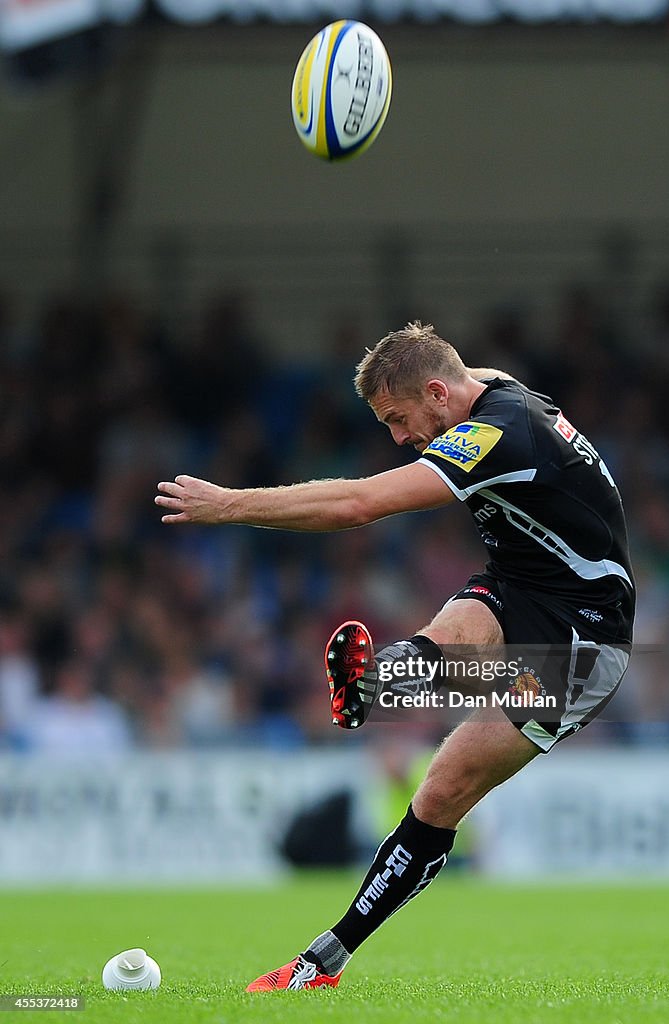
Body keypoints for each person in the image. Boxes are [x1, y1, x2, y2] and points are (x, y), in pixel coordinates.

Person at [155, 322, 635, 992]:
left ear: (438, 393)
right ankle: (376, 689)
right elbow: (475, 373)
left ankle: (325, 958)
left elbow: (358, 504)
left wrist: (229, 505)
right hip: (523, 587)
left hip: (586, 644)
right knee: (459, 628)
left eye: (400, 419)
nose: (400, 437)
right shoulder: (488, 389)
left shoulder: (500, 435)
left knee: (442, 791)